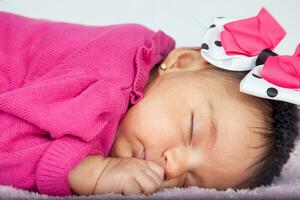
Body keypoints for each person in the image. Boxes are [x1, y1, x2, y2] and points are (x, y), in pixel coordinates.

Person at [0, 10, 298, 197]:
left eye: (186, 181)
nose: (172, 167)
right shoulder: (112, 73)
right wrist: (87, 172)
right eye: (191, 130)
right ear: (182, 61)